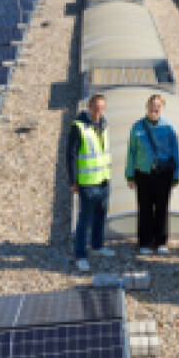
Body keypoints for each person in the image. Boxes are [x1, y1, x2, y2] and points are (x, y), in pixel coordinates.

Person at [126, 93, 179, 255]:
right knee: (144, 208)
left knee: (162, 208)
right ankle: (144, 241)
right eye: (151, 105)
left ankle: (161, 241)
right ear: (146, 107)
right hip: (143, 173)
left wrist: (176, 175)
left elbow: (175, 152)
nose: (154, 108)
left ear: (162, 108)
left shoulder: (169, 127)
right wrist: (130, 175)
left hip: (163, 174)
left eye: (157, 106)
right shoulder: (137, 127)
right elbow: (131, 152)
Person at [68, 93, 114, 272]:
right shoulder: (78, 127)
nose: (99, 111)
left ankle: (97, 246)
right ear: (89, 107)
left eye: (102, 108)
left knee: (100, 216)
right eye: (96, 108)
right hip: (87, 183)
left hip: (103, 180)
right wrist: (73, 181)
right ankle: (80, 254)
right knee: (84, 220)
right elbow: (71, 155)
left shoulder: (104, 124)